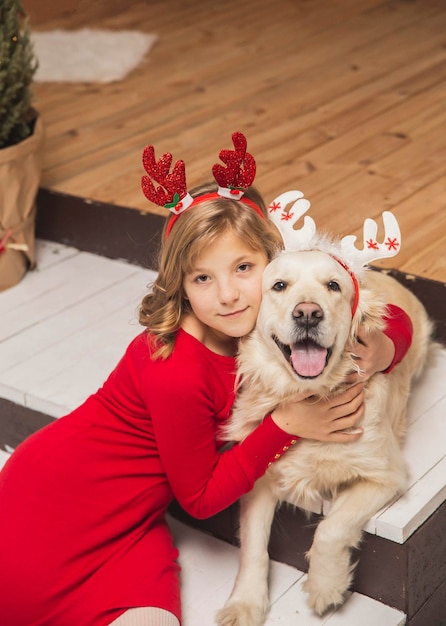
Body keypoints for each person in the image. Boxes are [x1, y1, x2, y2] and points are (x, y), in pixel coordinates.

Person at [0, 133, 412, 626]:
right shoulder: (176, 368)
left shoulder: (262, 318)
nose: (228, 296)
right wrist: (286, 425)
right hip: (60, 497)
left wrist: (387, 346)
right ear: (180, 284)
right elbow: (199, 499)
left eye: (243, 269)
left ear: (272, 264)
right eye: (202, 279)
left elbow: (374, 306)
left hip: (137, 517)